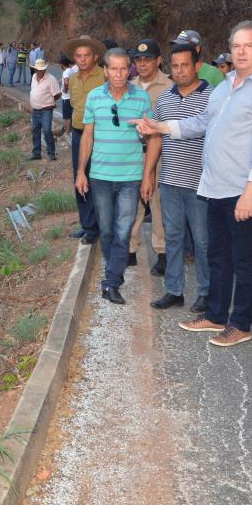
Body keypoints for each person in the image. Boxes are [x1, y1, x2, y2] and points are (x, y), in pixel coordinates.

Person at [135, 21, 252, 346]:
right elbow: (202, 123)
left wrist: (251, 192)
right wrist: (161, 128)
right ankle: (216, 314)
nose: (242, 51)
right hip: (215, 187)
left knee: (245, 261)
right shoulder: (227, 84)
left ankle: (241, 323)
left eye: (249, 46)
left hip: (244, 191)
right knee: (218, 255)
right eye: (237, 46)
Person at [75, 48, 152, 304]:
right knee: (107, 230)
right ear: (105, 71)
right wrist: (80, 173)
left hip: (131, 176)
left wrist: (148, 173)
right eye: (113, 69)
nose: (119, 74)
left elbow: (152, 137)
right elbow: (87, 136)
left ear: (129, 70)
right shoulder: (94, 97)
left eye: (123, 69)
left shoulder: (142, 99)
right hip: (100, 176)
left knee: (123, 230)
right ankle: (112, 274)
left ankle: (111, 281)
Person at [146, 43, 212, 314]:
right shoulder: (164, 99)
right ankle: (174, 291)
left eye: (185, 65)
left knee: (203, 241)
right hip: (170, 181)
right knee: (173, 238)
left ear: (197, 65)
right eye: (175, 66)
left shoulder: (213, 97)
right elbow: (155, 138)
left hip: (202, 185)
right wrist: (148, 175)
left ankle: (207, 293)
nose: (180, 70)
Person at [127, 38, 173, 270]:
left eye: (147, 59)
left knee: (156, 202)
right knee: (133, 201)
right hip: (134, 153)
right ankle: (130, 248)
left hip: (160, 152)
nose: (142, 64)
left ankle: (162, 251)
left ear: (158, 60)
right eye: (138, 60)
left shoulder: (169, 86)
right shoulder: (130, 85)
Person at [64, 36, 108, 244]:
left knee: (99, 180)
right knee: (80, 178)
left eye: (87, 56)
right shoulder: (72, 78)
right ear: (74, 58)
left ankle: (103, 224)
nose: (82, 60)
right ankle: (88, 226)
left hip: (100, 135)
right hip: (79, 133)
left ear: (96, 57)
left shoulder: (105, 76)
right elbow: (73, 104)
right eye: (79, 56)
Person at [28, 58, 61, 161]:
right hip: (35, 110)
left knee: (47, 131)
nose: (39, 71)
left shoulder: (51, 79)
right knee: (35, 131)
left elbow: (57, 94)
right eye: (38, 69)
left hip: (46, 110)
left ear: (44, 69)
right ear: (35, 69)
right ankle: (36, 153)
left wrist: (49, 101)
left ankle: (52, 153)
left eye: (41, 69)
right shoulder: (33, 77)